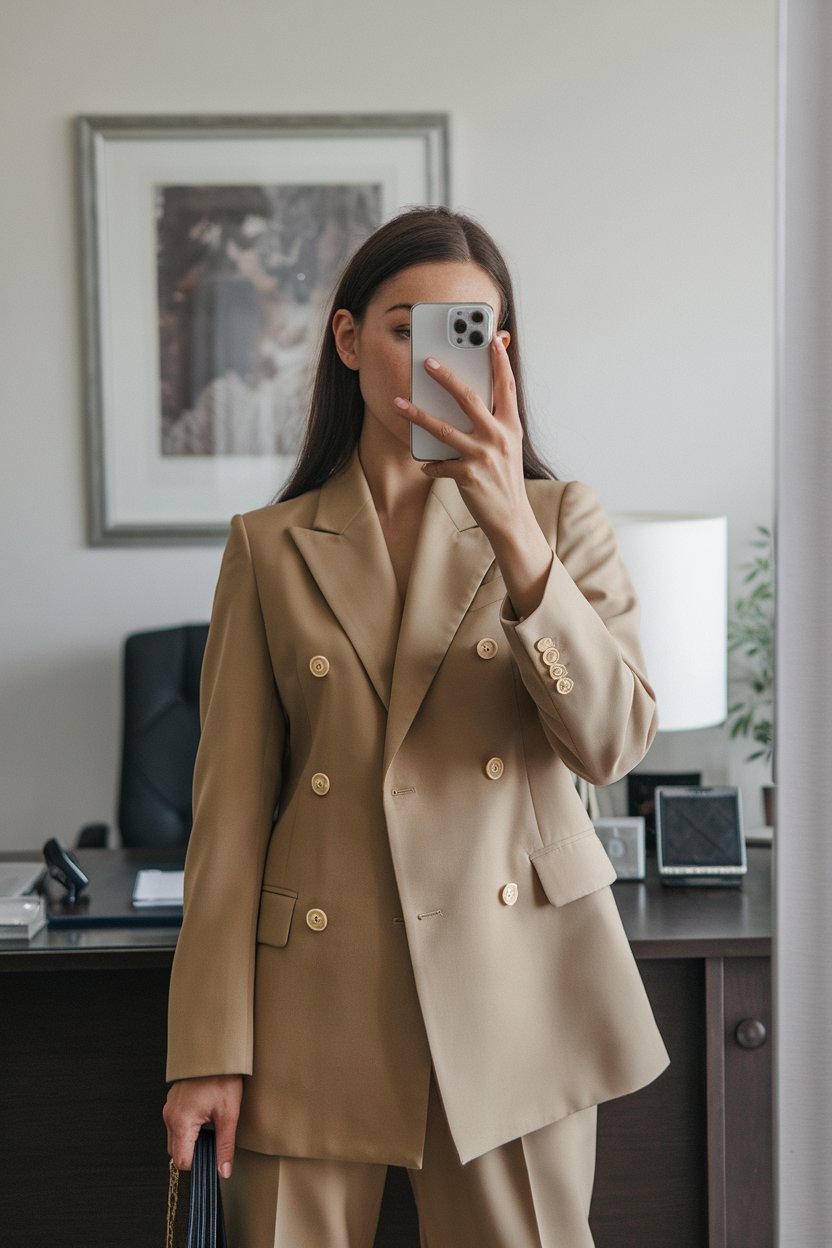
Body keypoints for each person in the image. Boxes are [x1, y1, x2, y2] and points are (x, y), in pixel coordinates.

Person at [163, 206, 670, 1247]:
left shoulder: (560, 518)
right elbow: (225, 825)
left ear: (502, 354)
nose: (434, 358)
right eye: (404, 327)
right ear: (348, 341)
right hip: (312, 1003)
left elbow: (612, 744)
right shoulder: (270, 548)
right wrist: (204, 1048)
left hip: (515, 993)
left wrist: (514, 534)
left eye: (467, 330)